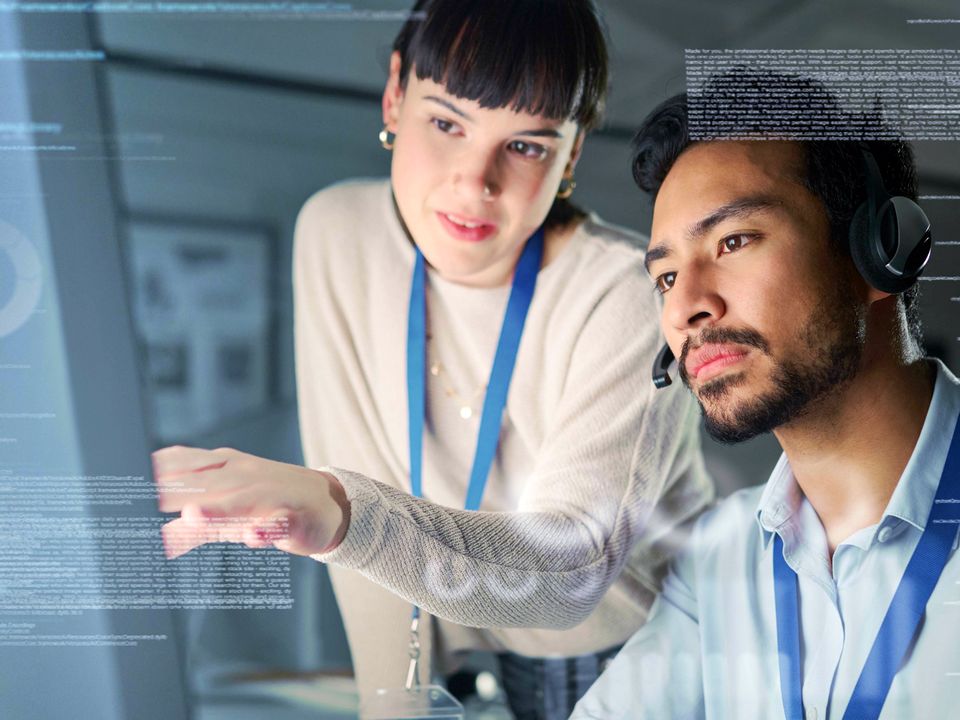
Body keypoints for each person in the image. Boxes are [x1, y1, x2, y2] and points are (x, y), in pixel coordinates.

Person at [152, 1, 714, 716]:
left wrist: (342, 515)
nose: (475, 181)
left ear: (571, 155)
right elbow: (361, 505)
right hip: (474, 659)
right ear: (395, 94)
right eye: (447, 123)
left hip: (646, 664)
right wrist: (393, 705)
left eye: (528, 146)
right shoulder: (338, 236)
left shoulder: (629, 296)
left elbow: (570, 568)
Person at [571, 69, 957, 719]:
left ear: (878, 252)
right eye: (665, 277)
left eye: (733, 241)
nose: (688, 305)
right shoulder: (720, 560)